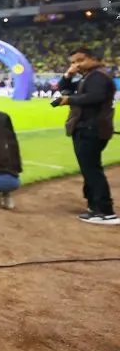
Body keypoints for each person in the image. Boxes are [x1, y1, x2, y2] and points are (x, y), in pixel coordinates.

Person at [56, 47, 117, 225]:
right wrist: (68, 74)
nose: (76, 65)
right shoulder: (89, 76)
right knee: (89, 169)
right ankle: (95, 206)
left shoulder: (98, 76)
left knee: (92, 170)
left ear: (93, 59)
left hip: (91, 128)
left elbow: (94, 97)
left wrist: (70, 100)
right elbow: (63, 88)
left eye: (80, 61)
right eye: (73, 62)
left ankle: (105, 210)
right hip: (88, 127)